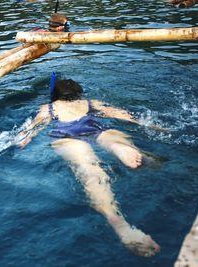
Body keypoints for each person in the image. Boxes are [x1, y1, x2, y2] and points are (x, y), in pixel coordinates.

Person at [16, 77, 161, 257]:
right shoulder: (90, 102)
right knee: (113, 139)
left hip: (66, 135)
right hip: (95, 128)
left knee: (90, 170)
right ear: (79, 93)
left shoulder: (48, 108)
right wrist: (151, 125)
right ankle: (121, 148)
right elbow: (122, 114)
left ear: (55, 96)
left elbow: (33, 126)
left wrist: (25, 137)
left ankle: (117, 221)